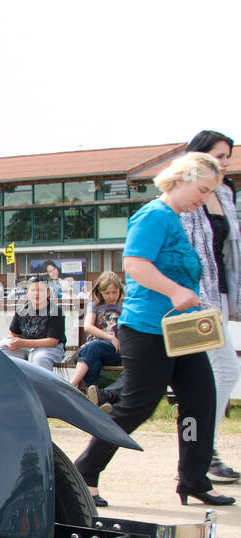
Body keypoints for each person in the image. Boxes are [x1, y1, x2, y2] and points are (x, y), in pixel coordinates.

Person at [73, 152, 233, 508]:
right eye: (203, 189)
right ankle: (85, 470)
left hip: (180, 330)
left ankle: (193, 478)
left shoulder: (176, 218)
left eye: (210, 193)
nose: (204, 198)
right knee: (138, 405)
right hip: (146, 329)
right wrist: (175, 291)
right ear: (182, 178)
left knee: (200, 401)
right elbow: (134, 264)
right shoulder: (153, 215)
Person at [180, 130, 241, 484]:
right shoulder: (188, 193)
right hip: (194, 299)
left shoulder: (225, 193)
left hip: (217, 295)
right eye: (219, 156)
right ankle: (205, 452)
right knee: (221, 372)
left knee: (199, 379)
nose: (224, 163)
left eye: (228, 158)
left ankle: (201, 453)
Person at [69, 271, 124, 397]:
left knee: (92, 348)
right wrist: (110, 337)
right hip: (98, 349)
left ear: (120, 290)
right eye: (107, 293)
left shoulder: (124, 307)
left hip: (115, 351)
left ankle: (71, 387)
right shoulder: (95, 306)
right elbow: (88, 326)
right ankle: (95, 395)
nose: (111, 296)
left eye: (114, 292)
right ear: (100, 292)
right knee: (94, 359)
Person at [0, 276, 66, 370]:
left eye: (41, 290)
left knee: (38, 358)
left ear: (48, 292)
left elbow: (52, 342)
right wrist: (15, 343)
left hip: (48, 348)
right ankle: (10, 382)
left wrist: (23, 343)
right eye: (33, 290)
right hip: (25, 346)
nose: (37, 293)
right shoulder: (22, 309)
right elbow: (13, 333)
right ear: (28, 293)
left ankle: (41, 385)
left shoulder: (55, 311)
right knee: (1, 348)